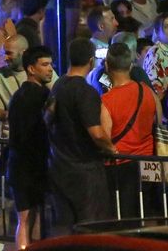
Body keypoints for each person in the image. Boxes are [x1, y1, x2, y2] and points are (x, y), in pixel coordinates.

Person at [47, 38, 118, 233]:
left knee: (64, 231)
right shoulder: (85, 92)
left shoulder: (58, 85)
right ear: (90, 61)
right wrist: (110, 146)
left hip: (59, 167)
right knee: (91, 230)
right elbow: (95, 132)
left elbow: (48, 118)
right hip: (84, 172)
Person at [102, 43, 158, 218]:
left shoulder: (106, 100)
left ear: (106, 65)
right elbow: (157, 121)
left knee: (123, 217)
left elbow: (105, 136)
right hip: (148, 162)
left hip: (121, 165)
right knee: (146, 212)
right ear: (131, 65)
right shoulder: (147, 91)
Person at [6, 45, 53, 250]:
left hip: (18, 164)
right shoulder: (44, 96)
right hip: (36, 164)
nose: (50, 69)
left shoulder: (17, 96)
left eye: (50, 64)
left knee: (24, 220)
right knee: (36, 219)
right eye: (44, 64)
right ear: (31, 69)